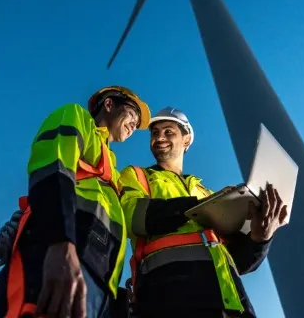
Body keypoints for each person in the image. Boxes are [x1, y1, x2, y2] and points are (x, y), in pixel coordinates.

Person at [0, 86, 151, 318]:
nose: (135, 124)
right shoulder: (75, 116)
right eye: (132, 113)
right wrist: (59, 242)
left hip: (98, 282)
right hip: (62, 257)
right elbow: (53, 169)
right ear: (109, 104)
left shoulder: (112, 165)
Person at [118, 107, 288, 318]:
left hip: (231, 302)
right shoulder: (136, 175)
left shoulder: (205, 192)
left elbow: (239, 262)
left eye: (168, 131)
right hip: (169, 296)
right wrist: (197, 207)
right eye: (155, 133)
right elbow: (132, 216)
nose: (159, 137)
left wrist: (260, 239)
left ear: (186, 139)